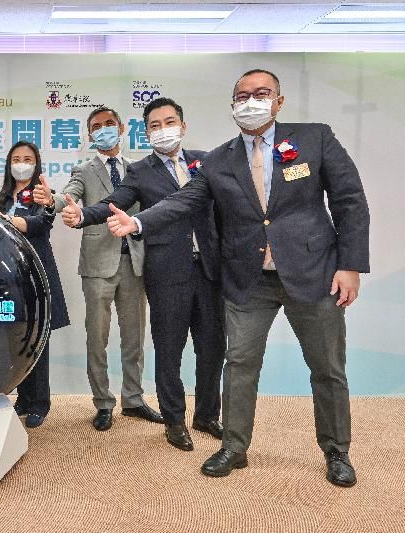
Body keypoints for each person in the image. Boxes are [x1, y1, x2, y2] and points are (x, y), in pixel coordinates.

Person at [106, 69, 370, 487]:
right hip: (249, 281)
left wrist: (350, 264)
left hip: (313, 274)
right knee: (240, 364)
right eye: (242, 96)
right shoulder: (218, 159)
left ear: (278, 101)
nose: (251, 102)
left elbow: (350, 201)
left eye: (261, 94)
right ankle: (234, 446)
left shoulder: (314, 138)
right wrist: (136, 224)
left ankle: (336, 451)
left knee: (327, 369)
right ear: (232, 106)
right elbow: (183, 200)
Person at [53, 98, 225, 451]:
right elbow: (113, 201)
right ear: (146, 133)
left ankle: (207, 414)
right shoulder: (141, 172)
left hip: (208, 269)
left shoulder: (206, 161)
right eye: (156, 125)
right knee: (168, 349)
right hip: (166, 270)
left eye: (170, 121)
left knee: (212, 348)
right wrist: (84, 216)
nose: (164, 130)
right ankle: (175, 421)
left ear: (184, 125)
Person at [32, 106, 162, 432]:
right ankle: (103, 403)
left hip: (134, 262)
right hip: (97, 265)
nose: (103, 129)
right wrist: (52, 201)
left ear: (120, 128)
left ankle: (133, 399)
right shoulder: (84, 169)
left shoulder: (139, 168)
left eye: (108, 124)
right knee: (97, 339)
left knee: (134, 338)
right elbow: (69, 197)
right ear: (89, 135)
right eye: (96, 126)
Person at [0, 141, 70, 428]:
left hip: (36, 272)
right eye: (16, 159)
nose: (21, 163)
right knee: (16, 338)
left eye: (28, 159)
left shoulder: (41, 193)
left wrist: (9, 220)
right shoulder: (1, 196)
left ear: (36, 164)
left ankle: (40, 402)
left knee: (38, 340)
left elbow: (40, 225)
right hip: (9, 277)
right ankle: (22, 397)